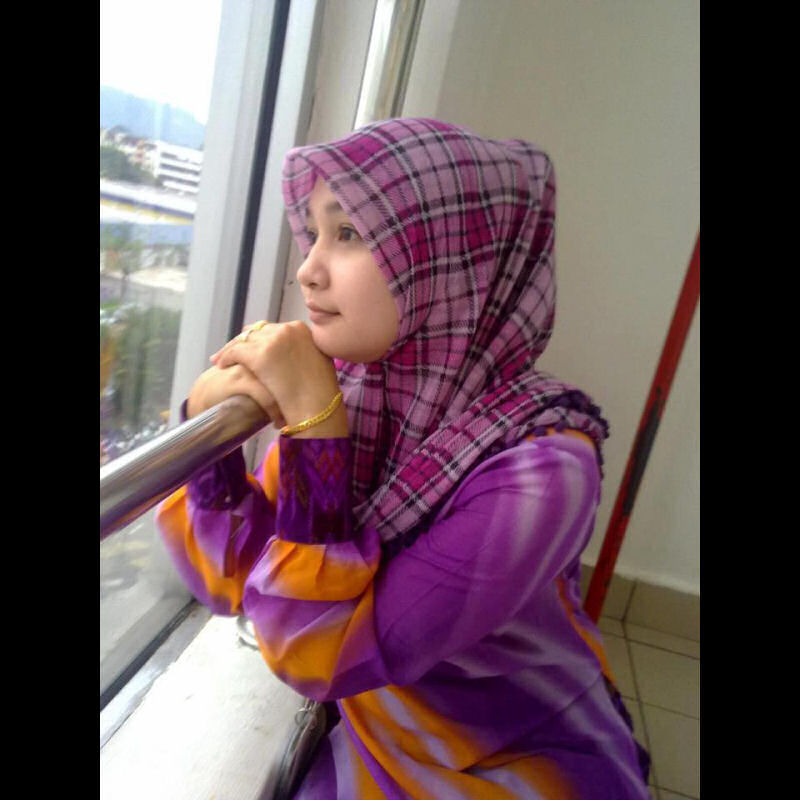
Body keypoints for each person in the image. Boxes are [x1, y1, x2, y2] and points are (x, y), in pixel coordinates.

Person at [156, 117, 651, 799]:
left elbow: (318, 654)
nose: (308, 268)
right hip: (386, 748)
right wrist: (207, 434)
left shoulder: (546, 469)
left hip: (519, 768)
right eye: (315, 232)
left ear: (454, 260)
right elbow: (234, 583)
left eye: (348, 233)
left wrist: (316, 436)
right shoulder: (358, 400)